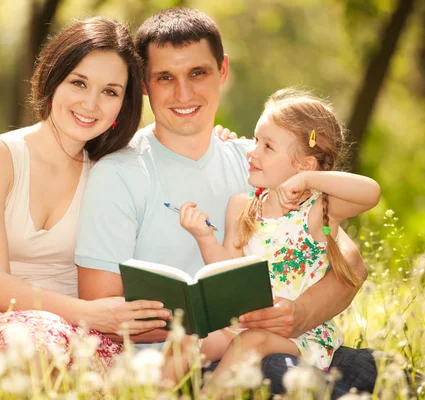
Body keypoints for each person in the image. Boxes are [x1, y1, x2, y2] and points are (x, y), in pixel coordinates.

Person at [76, 7, 377, 397]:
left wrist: (299, 314)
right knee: (283, 375)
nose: (184, 93)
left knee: (380, 373)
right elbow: (102, 308)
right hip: (183, 358)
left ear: (223, 70)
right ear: (145, 86)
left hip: (281, 346)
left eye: (197, 73)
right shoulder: (119, 172)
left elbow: (350, 263)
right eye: (165, 77)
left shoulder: (257, 163)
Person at [0, 17, 170, 399]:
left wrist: (219, 139)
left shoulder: (110, 176)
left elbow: (168, 151)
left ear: (124, 103)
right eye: (79, 82)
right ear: (53, 79)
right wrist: (89, 314)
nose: (91, 103)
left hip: (73, 345)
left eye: (110, 91)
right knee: (37, 339)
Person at [178, 88, 381, 379]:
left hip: (297, 338)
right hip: (243, 325)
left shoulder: (317, 211)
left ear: (304, 164)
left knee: (250, 343)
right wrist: (204, 238)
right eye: (256, 139)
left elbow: (370, 193)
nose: (252, 151)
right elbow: (226, 271)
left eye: (267, 146)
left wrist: (309, 180)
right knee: (185, 342)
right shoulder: (242, 207)